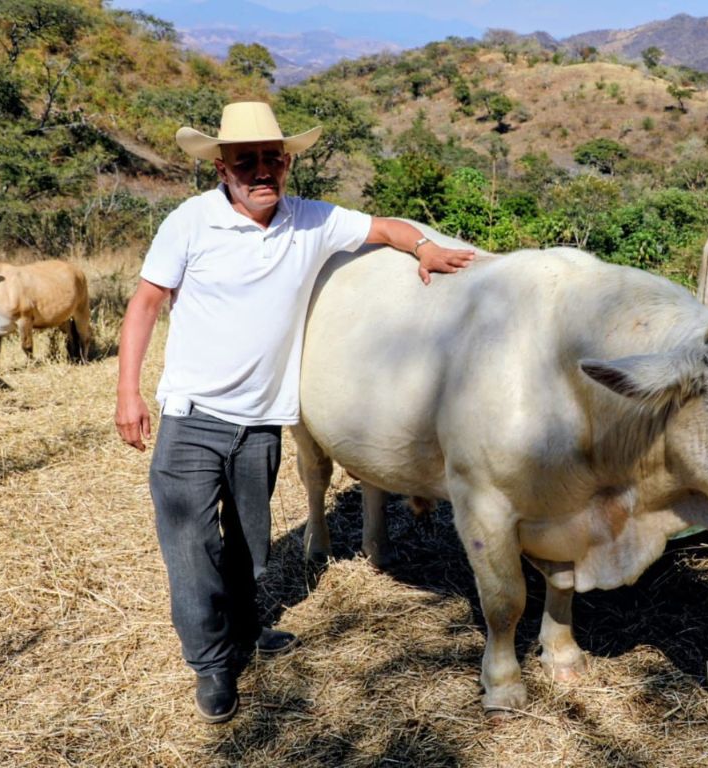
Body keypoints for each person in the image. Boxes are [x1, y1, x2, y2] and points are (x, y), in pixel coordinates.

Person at [114, 101, 473, 724]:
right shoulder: (189, 223)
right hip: (193, 416)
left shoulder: (311, 221)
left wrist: (425, 249)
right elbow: (145, 304)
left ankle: (250, 634)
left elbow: (385, 227)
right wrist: (128, 392)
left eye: (271, 160)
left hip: (260, 422)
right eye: (245, 161)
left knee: (249, 545)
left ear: (287, 164)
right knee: (191, 545)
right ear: (221, 167)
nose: (260, 172)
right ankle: (212, 662)